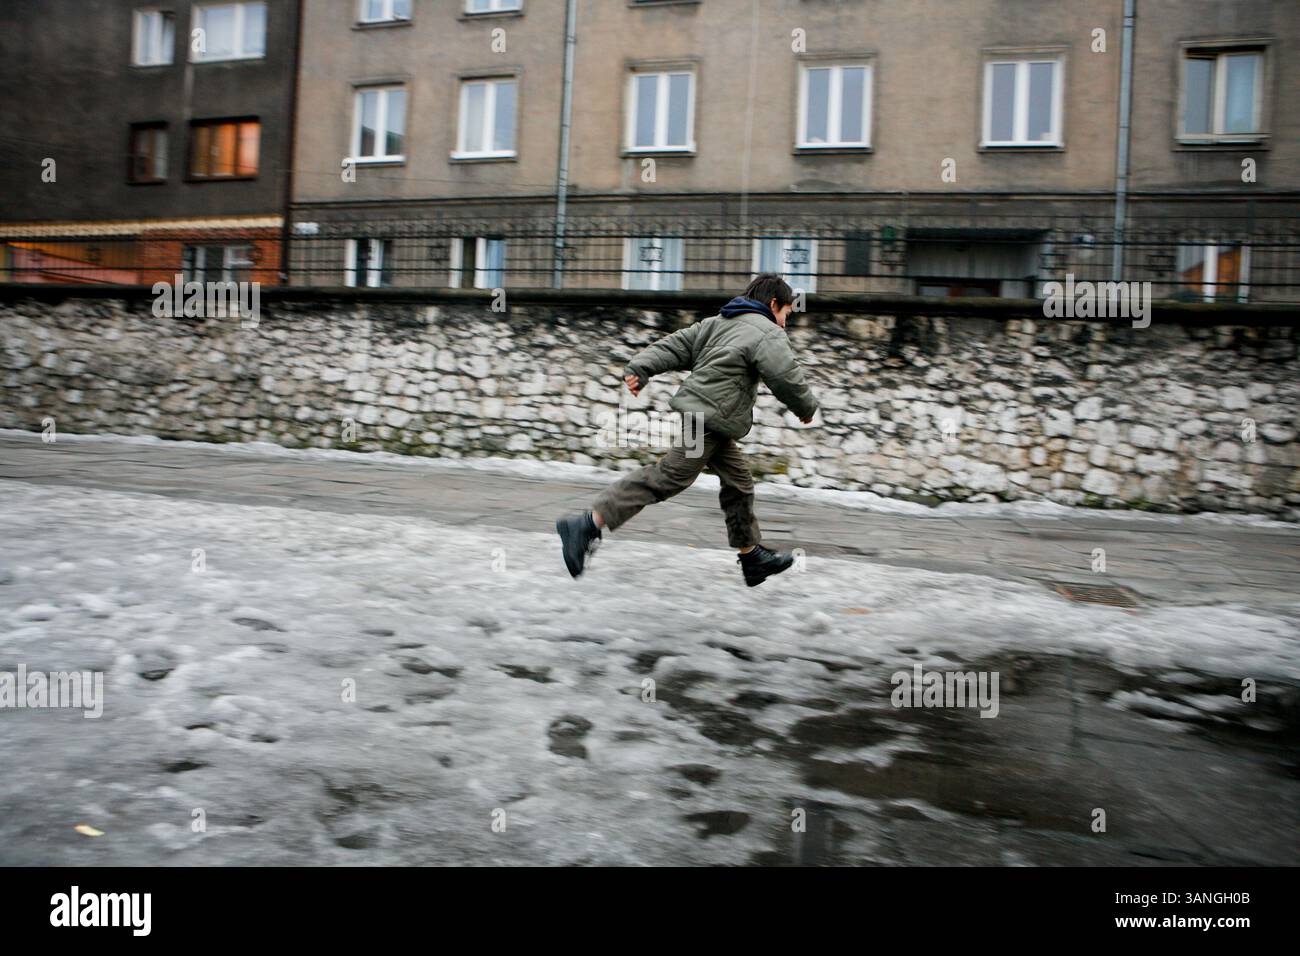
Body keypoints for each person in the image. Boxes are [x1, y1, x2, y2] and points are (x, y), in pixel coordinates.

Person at [556, 273, 819, 587]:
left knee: (739, 483)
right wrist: (805, 408)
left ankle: (752, 558)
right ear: (774, 304)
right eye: (786, 314)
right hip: (706, 420)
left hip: (709, 420)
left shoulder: (718, 323)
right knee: (669, 476)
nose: (785, 323)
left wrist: (642, 367)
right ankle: (587, 524)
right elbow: (785, 375)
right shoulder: (766, 332)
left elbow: (676, 344)